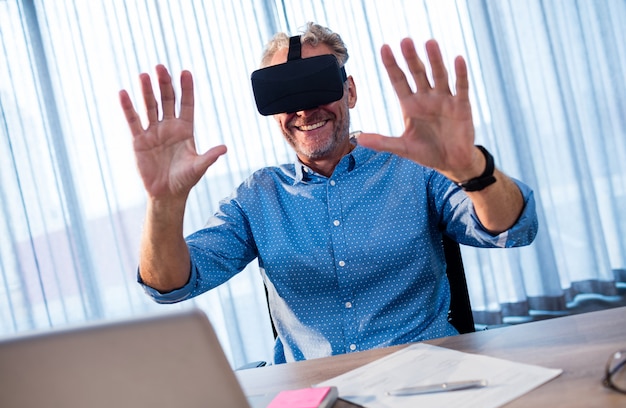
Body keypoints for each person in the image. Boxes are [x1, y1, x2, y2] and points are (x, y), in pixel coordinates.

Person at [119, 22, 537, 363]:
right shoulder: (258, 197)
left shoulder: (414, 171)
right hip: (313, 395)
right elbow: (170, 285)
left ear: (349, 91)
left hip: (427, 378)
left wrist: (470, 168)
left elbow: (511, 228)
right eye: (287, 95)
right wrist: (164, 203)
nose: (304, 109)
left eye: (317, 88)